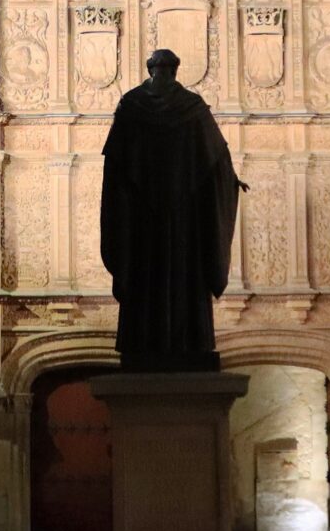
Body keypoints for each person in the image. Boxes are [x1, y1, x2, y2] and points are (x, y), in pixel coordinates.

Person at [99, 49, 241, 371]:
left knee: (143, 279)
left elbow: (116, 169)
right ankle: (188, 341)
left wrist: (123, 208)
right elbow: (217, 162)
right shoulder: (192, 109)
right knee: (185, 279)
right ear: (174, 71)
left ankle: (144, 342)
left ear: (153, 70)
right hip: (185, 224)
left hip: (141, 224)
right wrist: (228, 183)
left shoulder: (131, 106)